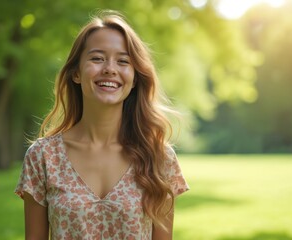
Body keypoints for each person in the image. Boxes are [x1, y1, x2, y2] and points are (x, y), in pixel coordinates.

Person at [15, 10, 189, 240]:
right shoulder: (43, 157)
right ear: (76, 73)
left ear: (135, 78)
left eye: (123, 61)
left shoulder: (159, 158)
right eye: (97, 58)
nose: (110, 68)